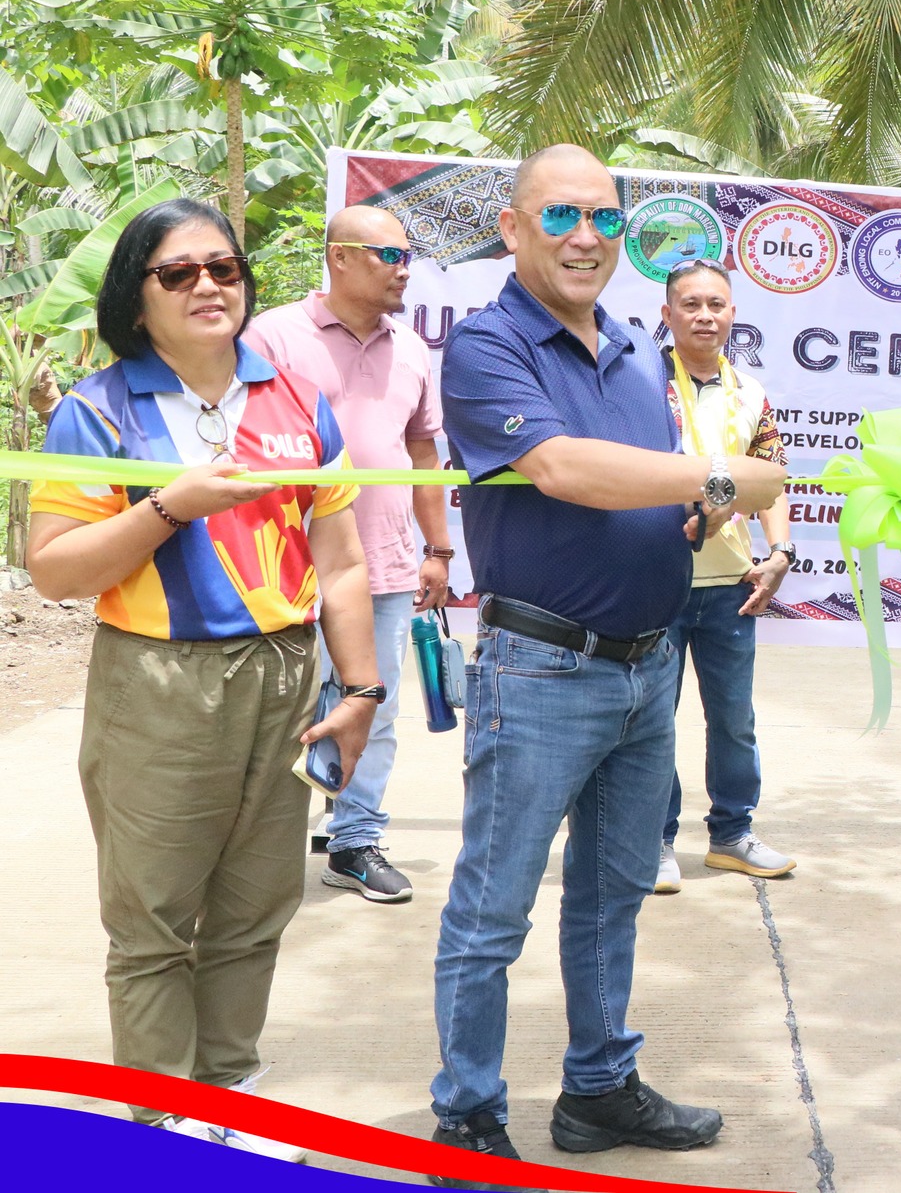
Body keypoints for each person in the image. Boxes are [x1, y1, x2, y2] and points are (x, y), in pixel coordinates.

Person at [427, 145, 785, 1186]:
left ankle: (596, 1088)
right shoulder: (488, 345)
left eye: (605, 218)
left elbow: (654, 493)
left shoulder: (636, 348)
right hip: (541, 669)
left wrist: (700, 505)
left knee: (612, 892)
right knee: (494, 907)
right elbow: (561, 470)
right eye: (560, 216)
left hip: (646, 664)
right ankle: (468, 1117)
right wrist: (728, 474)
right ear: (511, 228)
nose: (586, 235)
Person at [27, 198, 378, 1162]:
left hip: (283, 674)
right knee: (152, 914)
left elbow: (342, 562)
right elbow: (55, 570)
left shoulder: (298, 401)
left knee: (257, 902)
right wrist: (167, 509)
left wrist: (360, 692)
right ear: (136, 300)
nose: (208, 287)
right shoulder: (98, 410)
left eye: (222, 268)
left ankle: (234, 1095)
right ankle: (158, 1118)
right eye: (177, 273)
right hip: (159, 681)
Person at [245, 205, 451, 905]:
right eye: (390, 255)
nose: (405, 269)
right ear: (339, 257)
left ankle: (354, 840)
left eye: (407, 256)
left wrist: (440, 549)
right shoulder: (273, 335)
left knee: (373, 703)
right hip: (287, 565)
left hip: (388, 564)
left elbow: (423, 450)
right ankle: (260, 847)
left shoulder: (413, 349)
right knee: (282, 706)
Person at [651, 259, 796, 892]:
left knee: (733, 720)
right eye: (690, 305)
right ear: (667, 315)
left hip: (730, 586)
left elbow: (771, 478)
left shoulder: (752, 392)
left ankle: (732, 836)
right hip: (652, 581)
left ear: (733, 312)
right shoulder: (639, 382)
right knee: (651, 720)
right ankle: (653, 841)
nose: (705, 315)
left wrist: (780, 554)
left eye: (716, 304)